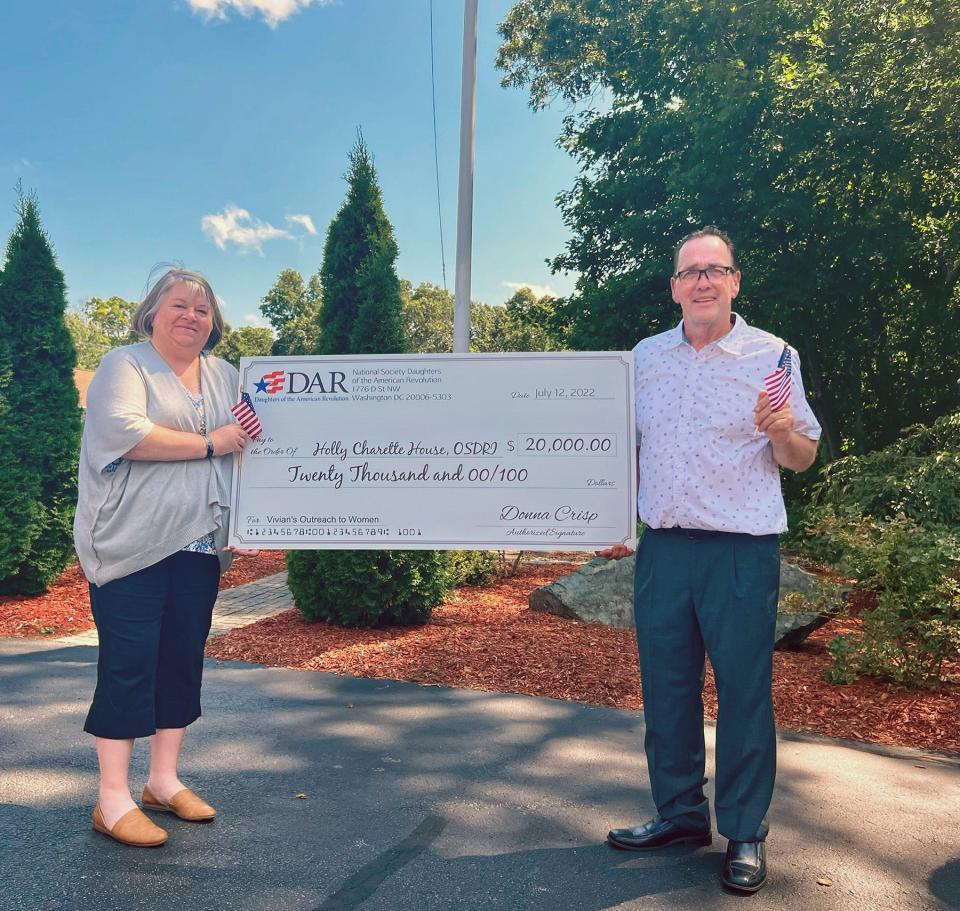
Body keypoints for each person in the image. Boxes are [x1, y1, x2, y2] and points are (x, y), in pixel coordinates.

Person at [600, 227, 821, 893]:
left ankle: (745, 830)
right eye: (690, 271)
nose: (701, 280)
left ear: (734, 282)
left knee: (744, 692)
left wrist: (780, 427)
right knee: (666, 686)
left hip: (740, 550)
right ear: (673, 288)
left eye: (714, 269)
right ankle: (679, 815)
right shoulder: (643, 358)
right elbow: (616, 446)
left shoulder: (772, 355)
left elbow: (802, 456)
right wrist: (609, 511)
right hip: (663, 547)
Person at [74, 268, 257, 847]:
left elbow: (254, 447)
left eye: (202, 310)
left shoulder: (226, 375)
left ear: (214, 323)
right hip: (132, 543)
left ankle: (162, 781)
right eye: (178, 305)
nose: (191, 317)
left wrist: (258, 514)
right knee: (130, 664)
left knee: (181, 660)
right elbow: (125, 433)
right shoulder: (124, 365)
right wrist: (211, 441)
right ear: (151, 313)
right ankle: (111, 798)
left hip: (202, 544)